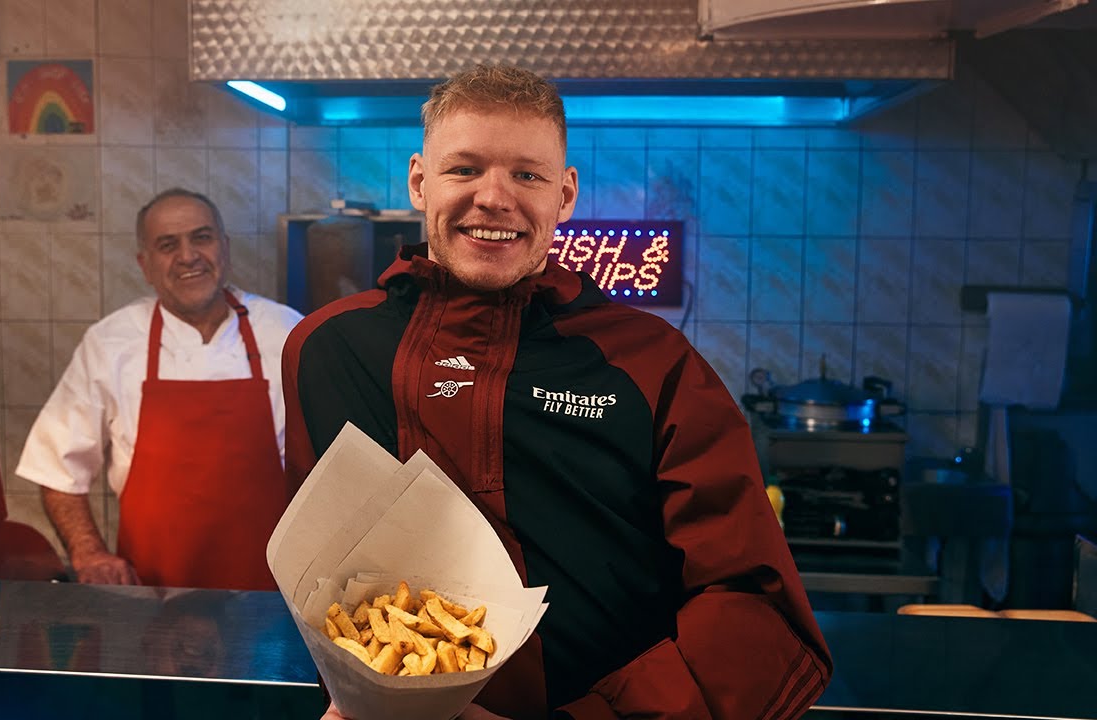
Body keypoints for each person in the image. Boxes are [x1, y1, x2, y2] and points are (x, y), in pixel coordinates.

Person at [282, 66, 832, 719]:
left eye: (527, 175)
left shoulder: (652, 364)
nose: (494, 196)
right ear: (418, 181)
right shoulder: (326, 350)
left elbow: (755, 614)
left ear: (565, 195)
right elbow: (326, 583)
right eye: (464, 169)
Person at [16, 188, 302, 591]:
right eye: (168, 245)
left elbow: (333, 470)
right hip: (150, 604)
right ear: (145, 266)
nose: (188, 256)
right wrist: (89, 553)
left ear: (225, 247)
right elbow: (57, 468)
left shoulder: (289, 333)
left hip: (274, 598)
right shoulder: (111, 342)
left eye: (201, 237)